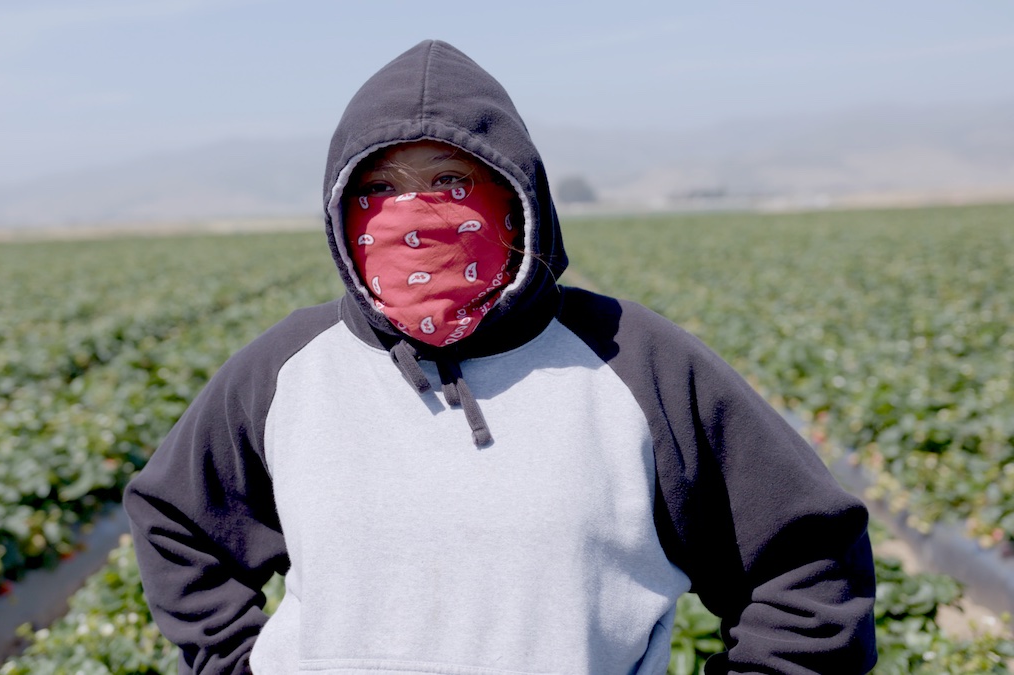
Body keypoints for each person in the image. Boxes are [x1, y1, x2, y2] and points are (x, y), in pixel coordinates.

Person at [124, 39, 877, 675]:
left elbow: (807, 560)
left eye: (451, 180)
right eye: (380, 187)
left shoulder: (634, 361)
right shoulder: (288, 370)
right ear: (341, 209)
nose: (414, 216)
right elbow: (176, 521)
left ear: (517, 197)